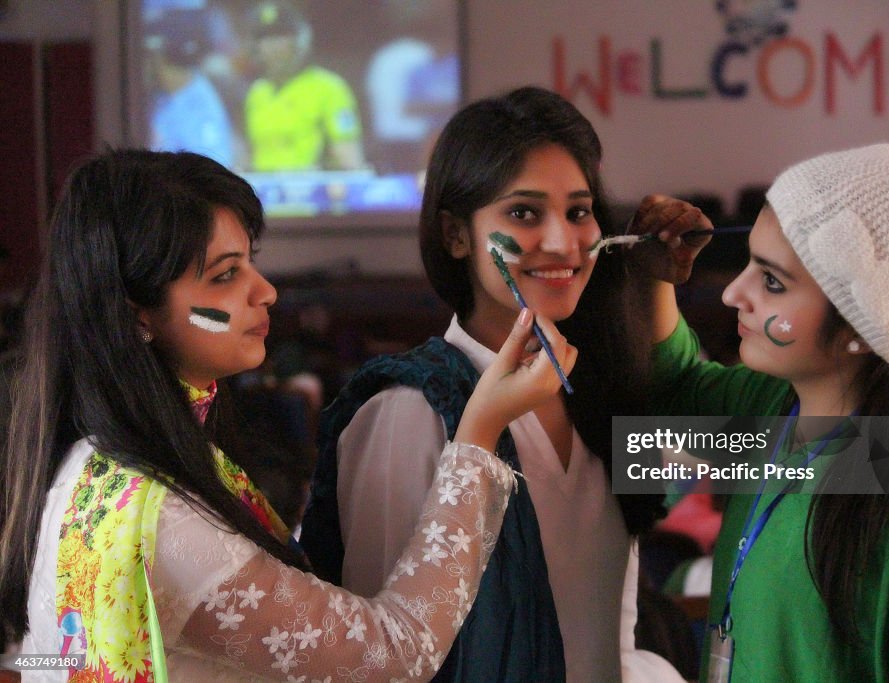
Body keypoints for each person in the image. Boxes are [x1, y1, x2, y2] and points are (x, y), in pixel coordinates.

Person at [0, 149, 578, 681]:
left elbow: (48, 653)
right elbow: (396, 652)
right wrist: (478, 435)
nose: (266, 291)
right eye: (225, 276)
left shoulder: (96, 461)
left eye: (581, 212)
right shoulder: (406, 406)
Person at [301, 86, 710, 682]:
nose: (561, 242)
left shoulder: (597, 393)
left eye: (578, 211)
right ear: (456, 234)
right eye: (523, 212)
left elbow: (762, 461)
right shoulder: (409, 410)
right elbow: (376, 661)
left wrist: (885, 440)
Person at [646, 143, 889, 681]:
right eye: (749, 265)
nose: (732, 294)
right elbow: (677, 387)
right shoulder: (774, 407)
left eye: (772, 282)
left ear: (861, 326)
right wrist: (656, 275)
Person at [244, 0, 366, 171]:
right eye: (265, 38)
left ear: (300, 41)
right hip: (263, 193)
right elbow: (252, 154)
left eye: (280, 36)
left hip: (311, 193)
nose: (272, 47)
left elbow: (349, 157)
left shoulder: (329, 88)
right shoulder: (257, 93)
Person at [145, 8, 236, 168]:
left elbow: (213, 171)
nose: (146, 63)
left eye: (151, 56)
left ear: (162, 57)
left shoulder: (200, 102)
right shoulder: (161, 97)